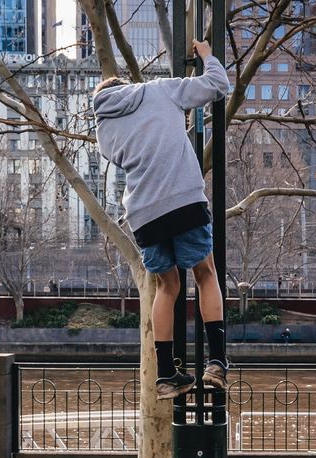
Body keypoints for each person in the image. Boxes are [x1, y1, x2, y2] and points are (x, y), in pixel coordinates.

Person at [92, 40, 232, 399]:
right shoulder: (158, 90)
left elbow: (135, 150)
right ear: (126, 86)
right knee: (206, 273)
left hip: (143, 215)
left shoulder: (105, 132)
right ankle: (216, 363)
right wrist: (205, 55)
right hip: (182, 198)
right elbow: (218, 84)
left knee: (168, 288)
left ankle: (167, 375)